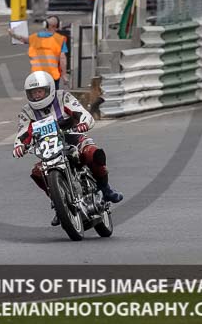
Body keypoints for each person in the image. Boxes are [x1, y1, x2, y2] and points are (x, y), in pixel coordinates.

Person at [12, 71, 123, 225]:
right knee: (37, 172)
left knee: (93, 153)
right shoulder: (27, 111)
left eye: (40, 91)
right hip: (47, 146)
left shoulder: (63, 97)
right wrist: (19, 146)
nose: (37, 96)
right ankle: (59, 204)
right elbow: (23, 133)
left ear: (49, 89)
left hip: (72, 137)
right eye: (33, 93)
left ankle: (105, 189)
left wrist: (84, 122)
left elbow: (82, 113)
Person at [9, 15, 68, 89]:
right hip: (52, 76)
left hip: (36, 75)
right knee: (53, 97)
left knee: (38, 97)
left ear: (45, 24)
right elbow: (62, 58)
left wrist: (12, 34)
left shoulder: (34, 37)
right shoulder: (60, 39)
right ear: (58, 26)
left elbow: (22, 39)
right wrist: (64, 75)